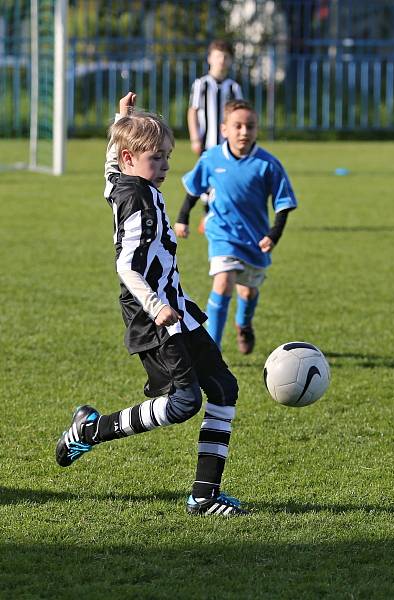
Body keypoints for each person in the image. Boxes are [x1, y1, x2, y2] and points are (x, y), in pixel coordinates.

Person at [55, 92, 248, 517]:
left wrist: (121, 120)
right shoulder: (137, 200)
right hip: (155, 315)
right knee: (184, 402)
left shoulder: (125, 182)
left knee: (224, 388)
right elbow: (126, 265)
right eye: (155, 158)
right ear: (132, 159)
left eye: (166, 157)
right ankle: (90, 429)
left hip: (177, 307)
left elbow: (111, 168)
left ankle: (204, 496)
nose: (163, 165)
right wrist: (156, 306)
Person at [177, 99, 297, 355]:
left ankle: (244, 324)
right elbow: (193, 189)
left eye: (250, 126)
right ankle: (212, 351)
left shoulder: (267, 164)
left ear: (257, 129)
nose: (244, 131)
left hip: (255, 239)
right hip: (222, 233)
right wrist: (183, 217)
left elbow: (284, 203)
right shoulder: (211, 158)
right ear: (224, 129)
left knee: (248, 291)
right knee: (223, 283)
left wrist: (273, 235)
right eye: (238, 126)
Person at [186, 39, 244, 231]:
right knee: (207, 178)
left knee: (227, 178)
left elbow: (240, 114)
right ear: (210, 58)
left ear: (230, 61)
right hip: (207, 142)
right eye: (218, 56)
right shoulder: (201, 84)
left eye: (226, 57)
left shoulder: (233, 87)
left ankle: (219, 215)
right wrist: (195, 138)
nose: (222, 60)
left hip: (228, 144)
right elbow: (193, 111)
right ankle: (206, 214)